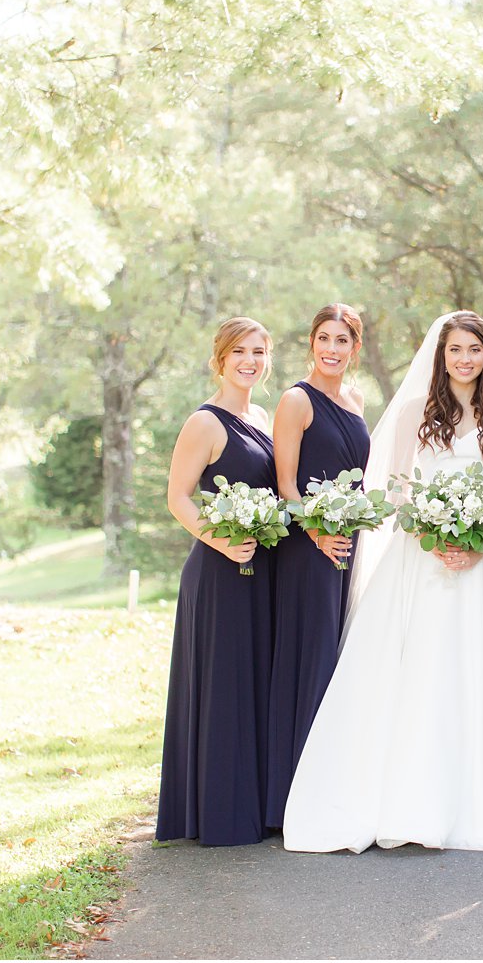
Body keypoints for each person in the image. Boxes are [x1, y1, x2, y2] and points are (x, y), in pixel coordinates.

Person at [281, 311, 483, 854]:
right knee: (412, 671)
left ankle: (479, 797)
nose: (464, 359)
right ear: (442, 355)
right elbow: (400, 489)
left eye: (473, 350)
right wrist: (435, 539)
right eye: (455, 350)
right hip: (420, 559)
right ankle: (404, 801)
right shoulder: (414, 412)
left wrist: (476, 546)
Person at [156, 317, 278, 846]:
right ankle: (219, 815)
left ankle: (257, 805)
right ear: (220, 359)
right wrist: (221, 541)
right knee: (223, 686)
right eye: (240, 353)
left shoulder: (267, 417)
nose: (250, 361)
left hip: (265, 569)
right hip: (219, 570)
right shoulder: (204, 423)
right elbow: (178, 497)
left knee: (257, 683)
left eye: (259, 352)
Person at [266, 303, 371, 829]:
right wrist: (316, 532)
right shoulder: (296, 400)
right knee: (310, 655)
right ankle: (291, 796)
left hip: (348, 544)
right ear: (311, 342)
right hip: (309, 549)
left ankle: (329, 784)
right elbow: (286, 484)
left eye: (343, 340)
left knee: (338, 655)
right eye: (324, 338)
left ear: (355, 347)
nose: (332, 349)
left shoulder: (353, 399)